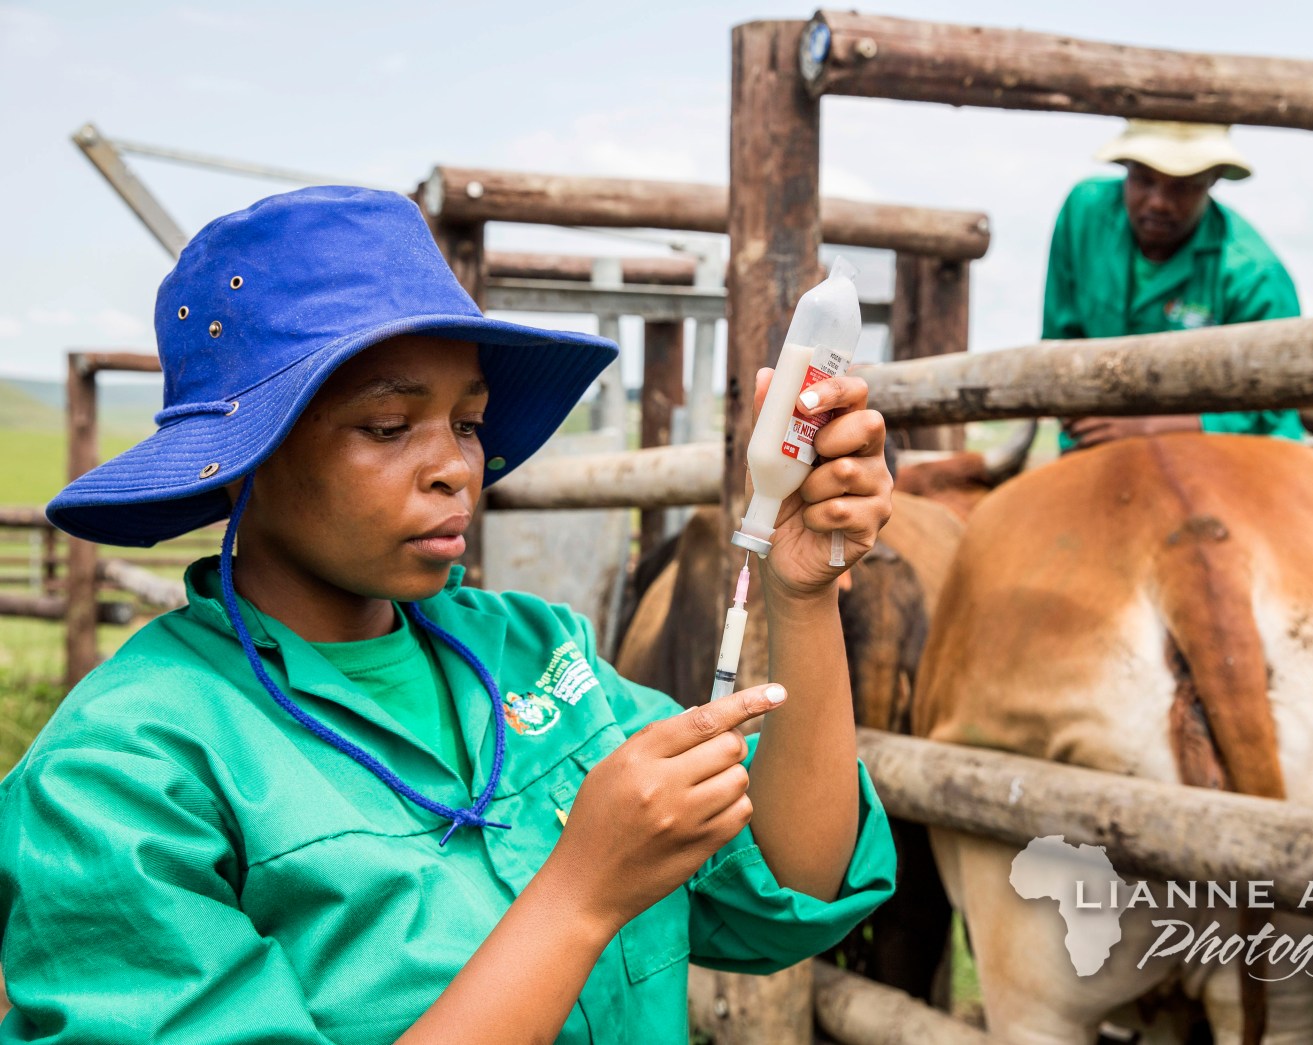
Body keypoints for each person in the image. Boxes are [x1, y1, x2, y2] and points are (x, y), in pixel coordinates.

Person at [0, 187, 897, 1044]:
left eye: (468, 423)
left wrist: (802, 593)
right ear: (243, 463)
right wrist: (581, 893)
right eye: (388, 426)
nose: (455, 468)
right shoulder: (121, 776)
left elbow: (793, 874)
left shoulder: (534, 650)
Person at [1042, 119, 1307, 451]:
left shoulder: (1254, 276)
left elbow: (1275, 406)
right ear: (1126, 169)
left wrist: (1152, 428)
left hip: (1215, 454)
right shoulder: (1084, 214)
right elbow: (1060, 341)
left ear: (1213, 179)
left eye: (1182, 186)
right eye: (1143, 179)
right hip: (1095, 443)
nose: (1158, 202)